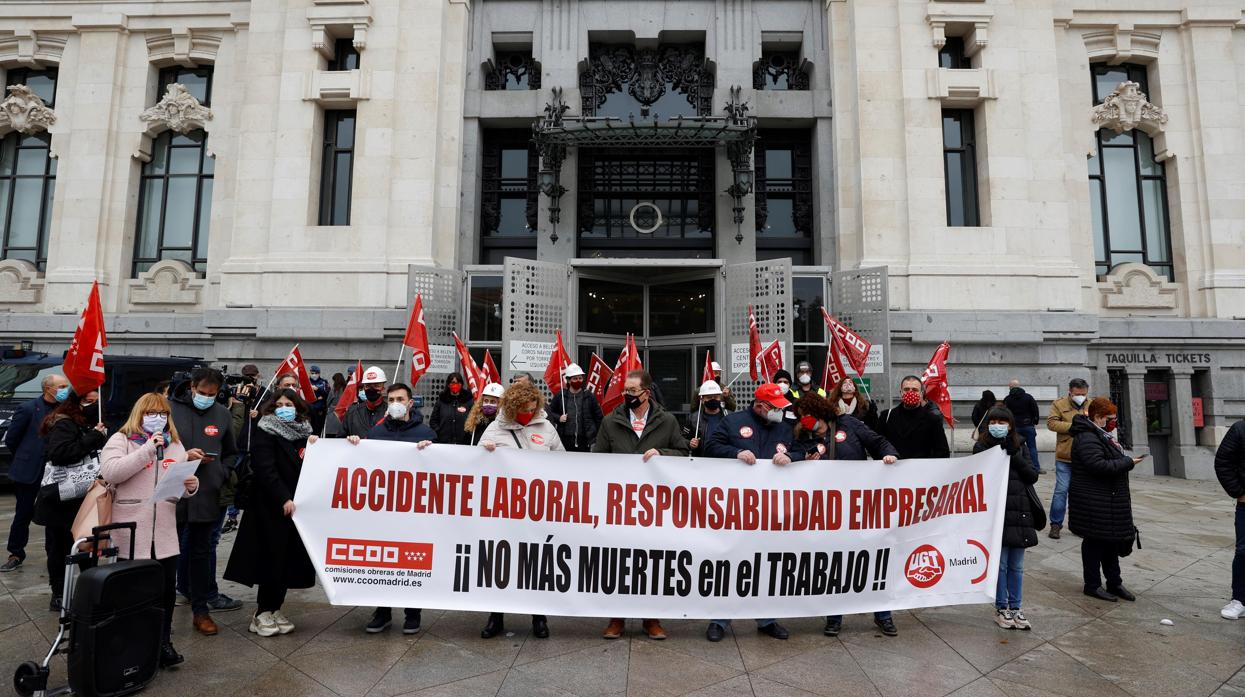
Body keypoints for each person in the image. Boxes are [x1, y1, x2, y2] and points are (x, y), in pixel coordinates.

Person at [101, 393, 198, 668]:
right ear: (139, 414)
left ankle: (162, 642)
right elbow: (110, 472)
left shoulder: (175, 445)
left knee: (165, 591)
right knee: (130, 593)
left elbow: (175, 488)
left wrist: (190, 486)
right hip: (130, 531)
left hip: (165, 532)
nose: (158, 418)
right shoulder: (121, 440)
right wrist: (146, 449)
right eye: (151, 413)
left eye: (163, 413)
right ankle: (130, 645)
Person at [792, 393, 900, 638]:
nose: (805, 420)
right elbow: (793, 454)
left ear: (820, 411)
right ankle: (834, 617)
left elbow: (878, 442)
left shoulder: (848, 425)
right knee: (834, 564)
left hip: (858, 506)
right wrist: (803, 457)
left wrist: (889, 455)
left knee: (872, 559)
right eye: (801, 417)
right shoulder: (802, 434)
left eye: (808, 415)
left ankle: (883, 615)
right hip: (827, 511)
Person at [592, 370, 687, 641]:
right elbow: (597, 458)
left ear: (646, 392)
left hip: (654, 507)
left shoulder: (666, 421)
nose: (628, 396)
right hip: (619, 504)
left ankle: (651, 619)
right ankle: (617, 618)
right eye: (626, 391)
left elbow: (683, 453)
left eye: (633, 391)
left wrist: (662, 453)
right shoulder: (611, 421)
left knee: (650, 562)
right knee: (620, 561)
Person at [702, 383, 799, 642]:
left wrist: (791, 455)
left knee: (764, 564)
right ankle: (719, 620)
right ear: (761, 406)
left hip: (770, 510)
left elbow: (804, 449)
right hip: (736, 508)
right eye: (776, 408)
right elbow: (710, 447)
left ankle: (766, 619)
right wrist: (735, 452)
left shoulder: (784, 427)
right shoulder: (733, 422)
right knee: (730, 562)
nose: (780, 412)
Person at [224, 389, 318, 637]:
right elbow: (266, 469)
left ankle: (276, 608)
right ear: (271, 408)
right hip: (270, 508)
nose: (284, 407)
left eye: (289, 404)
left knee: (287, 561)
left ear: (298, 408)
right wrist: (283, 497)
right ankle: (261, 613)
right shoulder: (265, 431)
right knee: (271, 560)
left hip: (296, 509)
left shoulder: (305, 433)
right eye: (280, 404)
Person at [345, 383, 434, 634]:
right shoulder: (376, 433)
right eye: (392, 398)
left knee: (411, 561)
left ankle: (412, 613)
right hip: (382, 512)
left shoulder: (425, 432)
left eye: (400, 398)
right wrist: (354, 444)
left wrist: (432, 451)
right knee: (383, 561)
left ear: (410, 402)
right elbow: (362, 462)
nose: (395, 402)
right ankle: (382, 612)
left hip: (413, 512)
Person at [479, 380, 562, 639]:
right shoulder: (495, 428)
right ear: (514, 407)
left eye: (533, 408)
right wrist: (485, 452)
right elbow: (474, 464)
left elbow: (563, 461)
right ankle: (496, 616)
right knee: (501, 564)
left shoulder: (547, 427)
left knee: (535, 562)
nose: (529, 413)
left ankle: (538, 616)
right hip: (505, 509)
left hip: (538, 508)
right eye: (524, 409)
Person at [169, 367, 243, 636]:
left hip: (206, 494)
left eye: (212, 394)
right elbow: (155, 447)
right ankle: (163, 611)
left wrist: (221, 473)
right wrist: (182, 457)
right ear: (192, 387)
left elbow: (232, 453)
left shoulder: (222, 414)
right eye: (202, 393)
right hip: (172, 493)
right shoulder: (169, 410)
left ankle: (201, 611)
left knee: (201, 554)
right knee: (168, 555)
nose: (206, 397)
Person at [38, 388, 106, 610]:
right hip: (62, 499)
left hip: (83, 497)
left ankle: (90, 591)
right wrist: (94, 438)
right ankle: (59, 593)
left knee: (87, 545)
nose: (93, 405)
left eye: (96, 401)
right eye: (88, 401)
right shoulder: (65, 423)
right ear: (75, 402)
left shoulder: (86, 422)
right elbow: (59, 454)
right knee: (59, 549)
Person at [1069, 397, 1142, 603]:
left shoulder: (1102, 434)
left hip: (1107, 499)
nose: (1113, 422)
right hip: (1093, 499)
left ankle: (1114, 582)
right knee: (1094, 543)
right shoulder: (1087, 437)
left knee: (1110, 542)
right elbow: (1097, 466)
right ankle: (1092, 585)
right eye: (1110, 418)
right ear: (1098, 417)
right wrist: (1128, 462)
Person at [973, 406, 1038, 630]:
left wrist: (1015, 455)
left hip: (1019, 511)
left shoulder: (1020, 444)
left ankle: (1016, 607)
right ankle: (1001, 608)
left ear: (1010, 425)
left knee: (1017, 566)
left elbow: (1032, 475)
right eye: (994, 422)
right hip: (996, 512)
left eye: (1002, 422)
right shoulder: (981, 446)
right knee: (1000, 565)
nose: (998, 426)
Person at [1, 373, 68, 573]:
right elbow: (12, 439)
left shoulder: (66, 410)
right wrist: (27, 456)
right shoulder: (28, 408)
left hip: (56, 472)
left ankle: (54, 553)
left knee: (53, 515)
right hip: (29, 470)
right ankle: (15, 553)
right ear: (48, 388)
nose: (66, 390)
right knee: (23, 513)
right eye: (62, 386)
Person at [1047, 378, 1090, 539]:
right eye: (1077, 394)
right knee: (1061, 490)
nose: (1081, 397)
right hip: (1065, 455)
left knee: (1083, 492)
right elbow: (1051, 423)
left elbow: (1102, 423)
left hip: (1086, 456)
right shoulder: (1059, 404)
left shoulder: (1091, 404)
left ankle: (1080, 525)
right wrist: (1071, 427)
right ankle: (1055, 524)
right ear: (1070, 392)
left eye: (1083, 394)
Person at [877, 376, 950, 461]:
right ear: (901, 392)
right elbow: (878, 445)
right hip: (893, 469)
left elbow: (942, 452)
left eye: (915, 390)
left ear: (921, 394)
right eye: (906, 389)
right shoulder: (886, 417)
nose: (910, 393)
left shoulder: (932, 419)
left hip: (921, 471)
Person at [1215, 418, 1245, 620]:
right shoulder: (1240, 428)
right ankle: (1239, 600)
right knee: (1244, 551)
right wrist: (1238, 491)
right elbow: (1223, 462)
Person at [546, 363, 604, 452]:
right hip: (565, 440)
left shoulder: (589, 396)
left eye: (580, 378)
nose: (578, 381)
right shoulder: (561, 395)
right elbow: (549, 413)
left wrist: (597, 438)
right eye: (575, 378)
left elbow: (599, 417)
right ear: (569, 381)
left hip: (586, 441)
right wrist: (559, 418)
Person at [1004, 380, 1043, 475]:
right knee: (1032, 447)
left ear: (1011, 387)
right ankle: (1036, 468)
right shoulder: (1028, 397)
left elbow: (1005, 413)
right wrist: (1035, 421)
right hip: (1028, 425)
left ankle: (1017, 467)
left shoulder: (1007, 399)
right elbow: (1035, 410)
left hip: (1014, 427)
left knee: (1015, 447)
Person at [686, 380, 729, 457]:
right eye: (709, 397)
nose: (713, 399)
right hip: (701, 463)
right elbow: (683, 439)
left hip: (725, 462)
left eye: (716, 397)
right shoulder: (693, 419)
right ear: (702, 400)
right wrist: (690, 443)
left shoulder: (729, 416)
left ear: (720, 397)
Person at [343, 366, 388, 438]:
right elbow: (340, 439)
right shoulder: (352, 412)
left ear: (383, 388)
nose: (371, 389)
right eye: (368, 386)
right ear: (363, 388)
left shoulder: (390, 412)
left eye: (376, 385)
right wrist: (348, 439)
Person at [430, 373, 474, 445]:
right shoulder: (441, 400)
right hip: (444, 443)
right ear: (448, 384)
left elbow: (473, 419)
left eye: (458, 382)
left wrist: (468, 434)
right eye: (453, 382)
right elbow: (433, 421)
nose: (455, 385)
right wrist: (440, 432)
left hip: (464, 443)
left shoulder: (468, 400)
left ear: (462, 384)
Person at [324, 371, 348, 436]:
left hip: (333, 413)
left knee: (331, 434)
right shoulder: (346, 388)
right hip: (343, 412)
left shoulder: (334, 389)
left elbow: (328, 401)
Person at [308, 365, 330, 434]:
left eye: (316, 373)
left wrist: (317, 389)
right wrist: (318, 398)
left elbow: (327, 392)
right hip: (309, 410)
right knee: (308, 429)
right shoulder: (307, 382)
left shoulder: (323, 382)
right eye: (312, 373)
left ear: (319, 373)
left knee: (318, 429)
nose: (314, 375)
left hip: (320, 410)